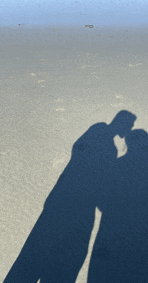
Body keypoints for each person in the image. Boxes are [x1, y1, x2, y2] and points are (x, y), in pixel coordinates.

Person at [3, 110, 136, 283]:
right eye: (130, 125)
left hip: (59, 201)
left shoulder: (97, 131)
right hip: (79, 211)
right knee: (63, 264)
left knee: (33, 256)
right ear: (122, 123)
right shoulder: (107, 146)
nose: (130, 128)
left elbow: (77, 150)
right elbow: (101, 186)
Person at [88, 129, 148, 283]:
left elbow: (102, 195)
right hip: (140, 213)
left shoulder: (116, 164)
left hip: (115, 216)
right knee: (138, 264)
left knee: (110, 265)